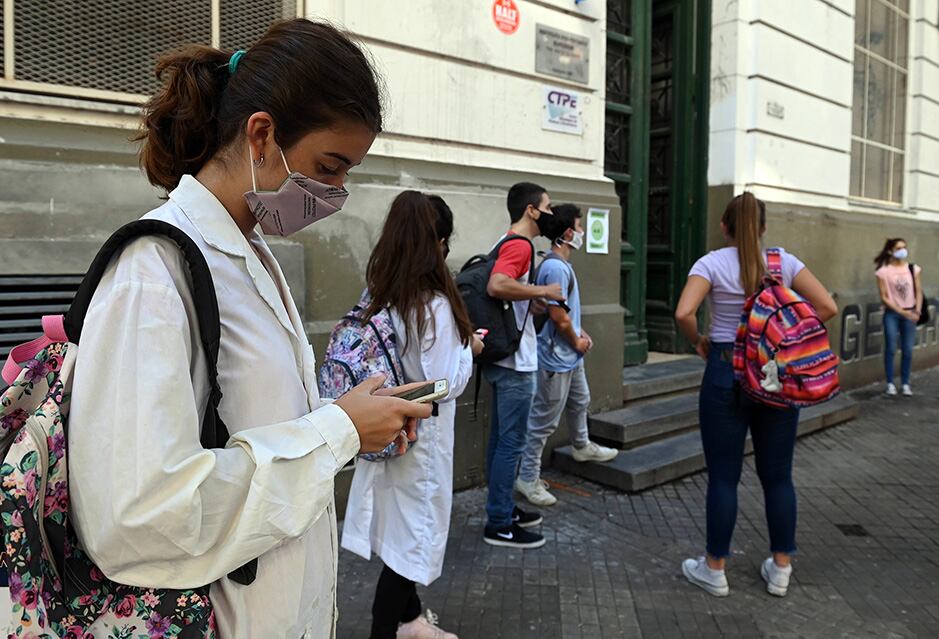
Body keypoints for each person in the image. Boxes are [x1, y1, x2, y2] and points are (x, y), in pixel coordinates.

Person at [67, 20, 432, 638]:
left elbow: (262, 431)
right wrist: (337, 431)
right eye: (330, 165)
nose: (338, 193)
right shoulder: (153, 273)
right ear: (262, 134)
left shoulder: (251, 254)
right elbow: (137, 516)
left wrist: (348, 421)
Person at [674, 193, 837, 598]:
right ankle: (781, 568)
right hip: (775, 373)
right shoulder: (785, 263)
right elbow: (827, 307)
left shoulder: (711, 263)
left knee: (724, 477)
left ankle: (715, 569)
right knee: (778, 476)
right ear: (763, 228)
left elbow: (683, 313)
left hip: (725, 368)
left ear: (725, 227)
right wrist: (786, 335)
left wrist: (700, 341)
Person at [341, 192, 483, 639]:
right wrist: (470, 351)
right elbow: (443, 384)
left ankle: (410, 621)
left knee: (398, 533)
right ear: (439, 242)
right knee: (411, 545)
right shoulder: (434, 306)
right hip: (422, 437)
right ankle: (386, 630)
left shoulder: (381, 294)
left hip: (387, 428)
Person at [514, 203, 618, 507]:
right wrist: (576, 340)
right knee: (543, 421)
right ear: (569, 232)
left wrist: (578, 334)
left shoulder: (559, 265)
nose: (582, 232)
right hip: (557, 357)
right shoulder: (556, 267)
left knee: (579, 400)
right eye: (579, 226)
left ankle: (581, 444)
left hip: (568, 355)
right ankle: (528, 478)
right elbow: (558, 317)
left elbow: (564, 311)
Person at [482, 182, 565, 549]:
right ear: (532, 210)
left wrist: (529, 301)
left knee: (501, 442)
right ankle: (499, 522)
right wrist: (543, 292)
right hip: (516, 362)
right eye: (546, 207)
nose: (550, 214)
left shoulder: (505, 242)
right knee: (510, 444)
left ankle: (502, 509)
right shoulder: (520, 245)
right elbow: (498, 285)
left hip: (503, 356)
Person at [874, 238, 922, 397]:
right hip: (892, 314)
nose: (902, 251)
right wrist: (902, 312)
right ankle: (890, 384)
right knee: (891, 348)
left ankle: (905, 383)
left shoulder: (912, 269)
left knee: (908, 349)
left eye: (904, 247)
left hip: (910, 313)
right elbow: (884, 297)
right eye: (898, 248)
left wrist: (917, 311)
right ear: (891, 251)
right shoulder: (883, 271)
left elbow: (918, 291)